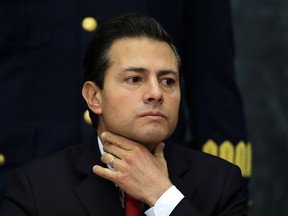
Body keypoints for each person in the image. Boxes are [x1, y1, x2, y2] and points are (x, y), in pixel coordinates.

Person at [0, 0, 251, 204]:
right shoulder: (28, 187)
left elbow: (211, 73)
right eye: (134, 79)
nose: (155, 92)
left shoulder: (216, 182)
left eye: (167, 81)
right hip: (18, 167)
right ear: (93, 96)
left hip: (163, 167)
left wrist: (216, 190)